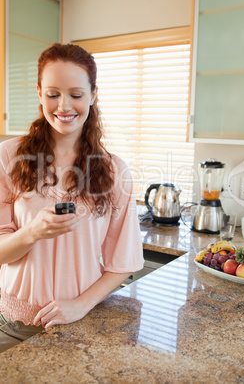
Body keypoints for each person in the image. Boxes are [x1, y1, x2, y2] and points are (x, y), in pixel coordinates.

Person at [0, 43, 144, 353]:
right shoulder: (8, 157)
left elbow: (123, 261)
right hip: (13, 326)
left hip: (83, 324)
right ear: (40, 93)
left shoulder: (114, 171)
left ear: (93, 94)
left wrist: (80, 305)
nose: (64, 106)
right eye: (53, 94)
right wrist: (33, 232)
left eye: (76, 95)